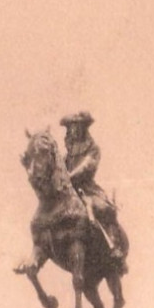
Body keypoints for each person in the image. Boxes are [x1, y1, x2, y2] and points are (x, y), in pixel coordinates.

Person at [60, 112, 125, 265]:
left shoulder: (93, 148)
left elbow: (87, 165)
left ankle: (114, 246)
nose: (74, 129)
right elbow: (60, 167)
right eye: (71, 126)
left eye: (77, 126)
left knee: (104, 209)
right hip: (70, 190)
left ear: (84, 128)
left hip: (87, 188)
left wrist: (70, 175)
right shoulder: (68, 152)